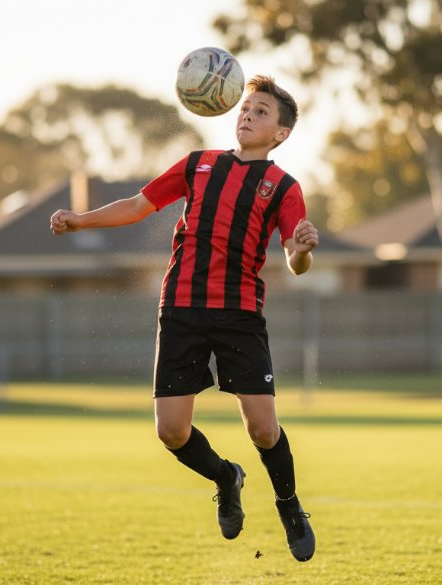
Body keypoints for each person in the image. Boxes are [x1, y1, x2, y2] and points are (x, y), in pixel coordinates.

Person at [49, 75, 318, 562]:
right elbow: (136, 205)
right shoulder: (199, 165)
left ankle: (289, 504)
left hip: (239, 315)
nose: (247, 115)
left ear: (280, 133)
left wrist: (300, 251)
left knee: (263, 429)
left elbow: (295, 262)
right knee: (170, 432)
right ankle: (225, 476)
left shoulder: (284, 187)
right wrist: (81, 220)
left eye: (260, 112)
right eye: (245, 108)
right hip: (181, 310)